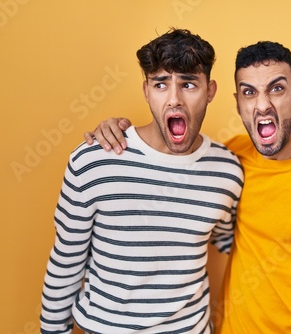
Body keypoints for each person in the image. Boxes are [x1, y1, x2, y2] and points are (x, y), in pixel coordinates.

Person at [85, 41, 291, 333]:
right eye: (249, 92)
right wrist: (120, 133)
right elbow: (172, 174)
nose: (262, 105)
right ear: (237, 103)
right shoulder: (232, 159)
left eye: (277, 89)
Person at [40, 28, 243, 334]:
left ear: (210, 90)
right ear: (147, 90)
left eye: (188, 84)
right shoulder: (95, 160)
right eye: (161, 84)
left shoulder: (227, 170)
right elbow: (65, 263)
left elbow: (233, 240)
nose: (174, 99)